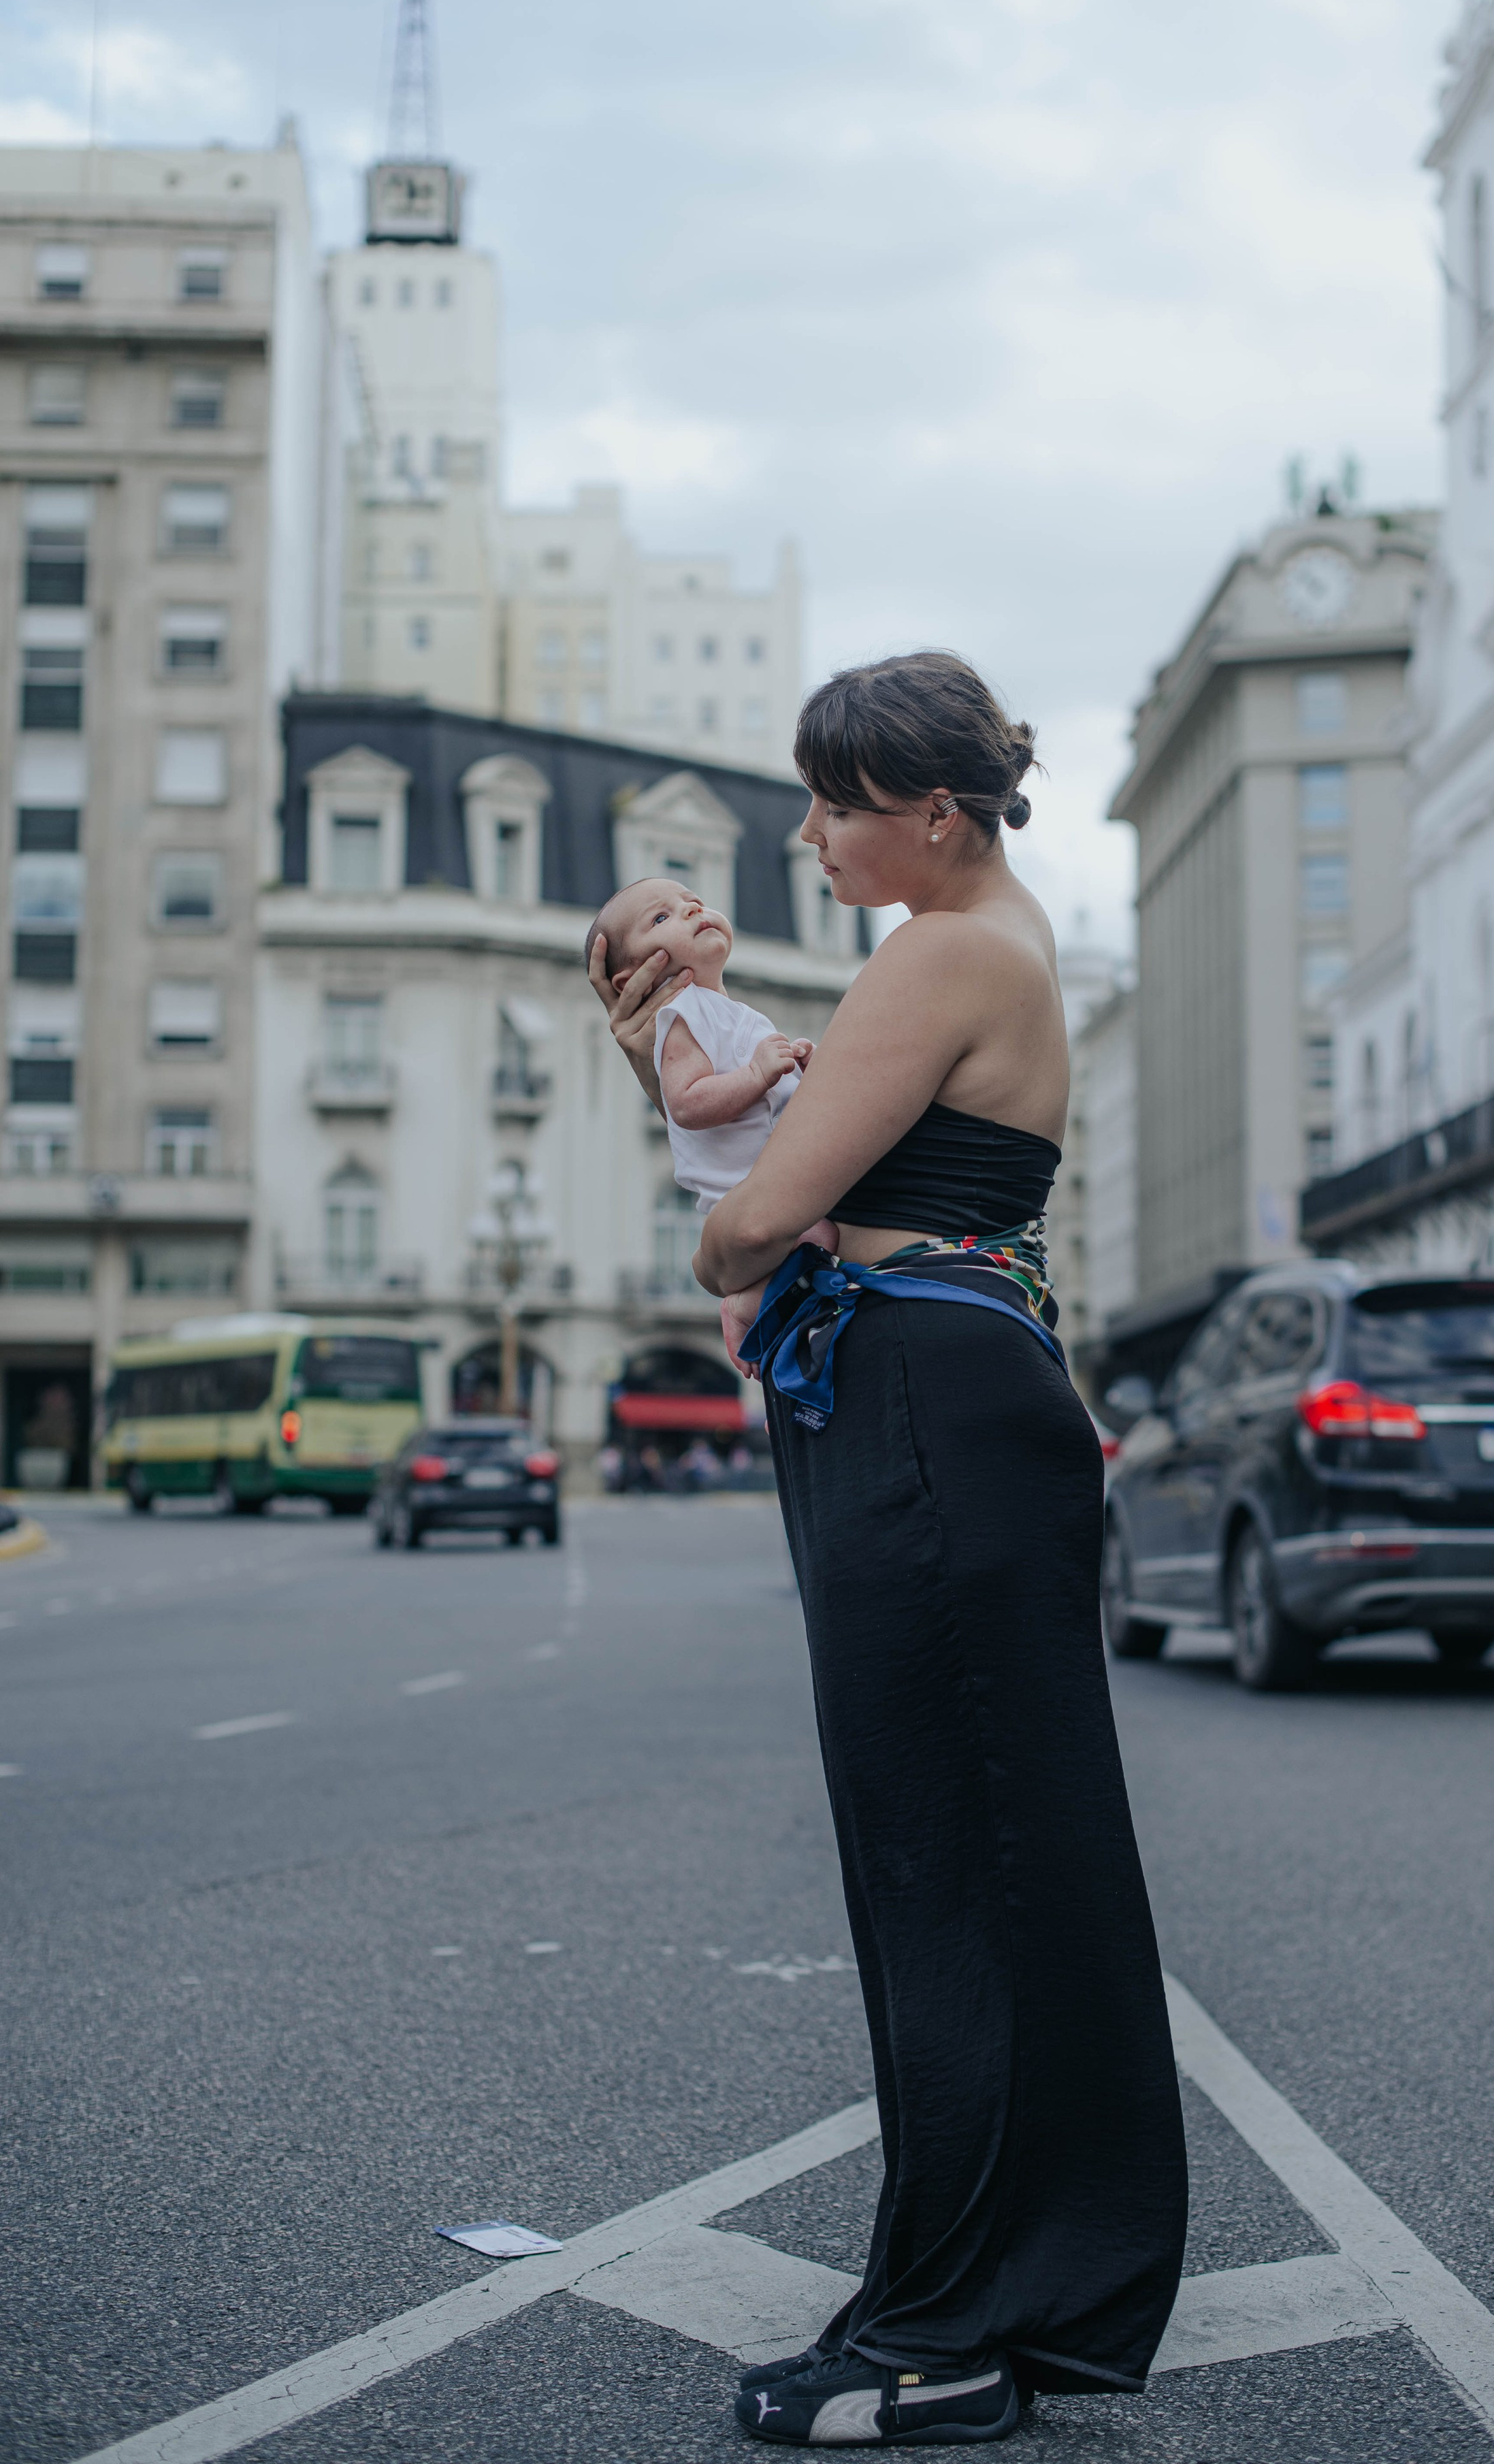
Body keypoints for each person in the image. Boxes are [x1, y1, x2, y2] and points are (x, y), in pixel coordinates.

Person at [590, 651, 1187, 2448]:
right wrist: (678, 1071)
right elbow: (785, 1168)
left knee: (953, 1862)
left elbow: (751, 1224)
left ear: (933, 807)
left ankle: (954, 2332)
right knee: (988, 1854)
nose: (812, 832)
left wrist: (709, 1156)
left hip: (925, 1404)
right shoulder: (988, 941)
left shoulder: (938, 950)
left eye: (838, 800)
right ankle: (992, 2295)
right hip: (946, 1394)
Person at [585, 877, 837, 1360]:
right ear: (633, 978)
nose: (690, 910)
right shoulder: (684, 1012)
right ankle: (746, 1305)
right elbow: (688, 1101)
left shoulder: (731, 1012)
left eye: (692, 902)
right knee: (822, 1241)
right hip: (744, 1195)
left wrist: (798, 1067)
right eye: (661, 918)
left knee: (819, 1260)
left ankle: (776, 1344)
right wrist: (759, 1072)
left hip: (772, 1188)